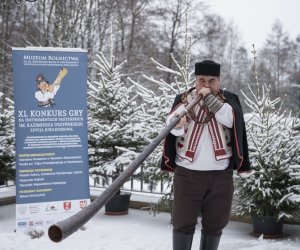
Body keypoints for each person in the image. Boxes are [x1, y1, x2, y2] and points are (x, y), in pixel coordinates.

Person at [161, 60, 251, 250]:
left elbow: (230, 118)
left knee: (214, 225)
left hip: (220, 175)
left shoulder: (229, 101)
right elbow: (171, 122)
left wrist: (210, 99)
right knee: (183, 224)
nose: (207, 85)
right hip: (187, 175)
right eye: (202, 80)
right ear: (195, 80)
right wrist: (178, 123)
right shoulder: (185, 99)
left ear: (219, 81)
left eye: (211, 81)